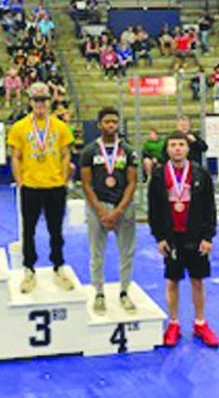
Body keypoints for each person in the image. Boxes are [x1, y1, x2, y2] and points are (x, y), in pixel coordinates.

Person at [148, 132, 218, 347]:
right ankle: (174, 322)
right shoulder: (159, 175)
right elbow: (154, 209)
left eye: (181, 144)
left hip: (195, 236)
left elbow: (209, 208)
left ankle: (199, 322)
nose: (177, 148)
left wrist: (208, 237)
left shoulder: (200, 173)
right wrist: (159, 237)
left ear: (188, 148)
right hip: (172, 237)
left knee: (197, 280)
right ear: (167, 149)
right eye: (173, 145)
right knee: (172, 280)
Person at [8, 82, 74, 294]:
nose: (40, 105)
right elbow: (16, 157)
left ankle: (58, 267)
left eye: (44, 100)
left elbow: (66, 154)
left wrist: (63, 179)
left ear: (49, 102)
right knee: (28, 230)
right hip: (31, 186)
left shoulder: (60, 127)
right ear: (30, 102)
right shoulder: (20, 127)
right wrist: (20, 181)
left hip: (55, 186)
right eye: (36, 101)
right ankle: (29, 269)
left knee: (56, 230)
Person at [80, 107, 138, 315]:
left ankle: (124, 292)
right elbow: (86, 185)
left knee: (127, 252)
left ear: (118, 124)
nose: (111, 125)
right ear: (99, 125)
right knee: (96, 253)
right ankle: (98, 293)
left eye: (114, 122)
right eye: (107, 122)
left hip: (124, 207)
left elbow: (132, 183)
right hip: (98, 206)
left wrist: (119, 209)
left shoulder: (129, 151)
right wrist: (101, 211)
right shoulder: (89, 151)